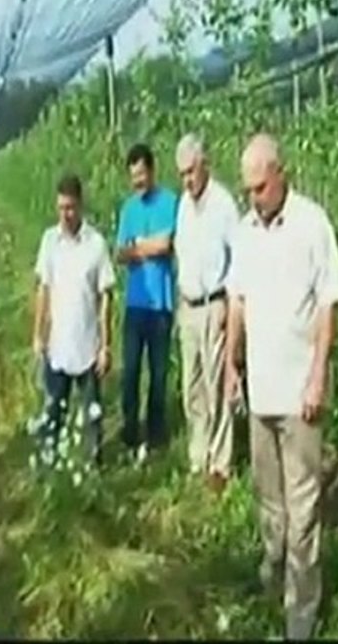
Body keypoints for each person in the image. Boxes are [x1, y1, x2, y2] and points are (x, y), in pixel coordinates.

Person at [225, 133, 338, 639]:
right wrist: (232, 363)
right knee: (268, 494)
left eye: (259, 187)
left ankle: (301, 611)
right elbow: (237, 299)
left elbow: (328, 304)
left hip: (301, 395)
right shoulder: (245, 231)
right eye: (248, 190)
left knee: (303, 508)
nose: (253, 197)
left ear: (281, 174)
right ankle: (272, 568)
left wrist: (319, 373)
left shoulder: (311, 224)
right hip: (261, 389)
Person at [32, 173, 115, 468]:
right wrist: (38, 335)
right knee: (53, 408)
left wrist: (105, 346)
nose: (65, 214)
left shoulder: (96, 244)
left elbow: (106, 296)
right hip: (58, 346)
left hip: (87, 346)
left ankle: (93, 467)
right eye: (61, 208)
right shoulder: (49, 241)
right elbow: (43, 289)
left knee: (92, 413)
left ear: (80, 205)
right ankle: (49, 464)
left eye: (70, 207)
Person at [173, 133, 240, 492]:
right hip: (189, 305)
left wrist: (231, 307)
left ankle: (220, 463)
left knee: (217, 388)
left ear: (204, 165)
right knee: (192, 387)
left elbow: (239, 258)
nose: (187, 179)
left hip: (215, 305)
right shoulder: (183, 206)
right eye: (182, 173)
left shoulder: (223, 204)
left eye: (191, 171)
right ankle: (197, 456)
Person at [115, 142, 180, 463]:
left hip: (161, 306)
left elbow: (166, 245)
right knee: (129, 373)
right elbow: (119, 253)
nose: (137, 182)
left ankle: (155, 435)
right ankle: (129, 431)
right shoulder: (128, 209)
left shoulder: (170, 202)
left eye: (141, 175)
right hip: (135, 304)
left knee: (157, 374)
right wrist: (144, 246)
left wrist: (137, 246)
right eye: (133, 177)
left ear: (152, 171)